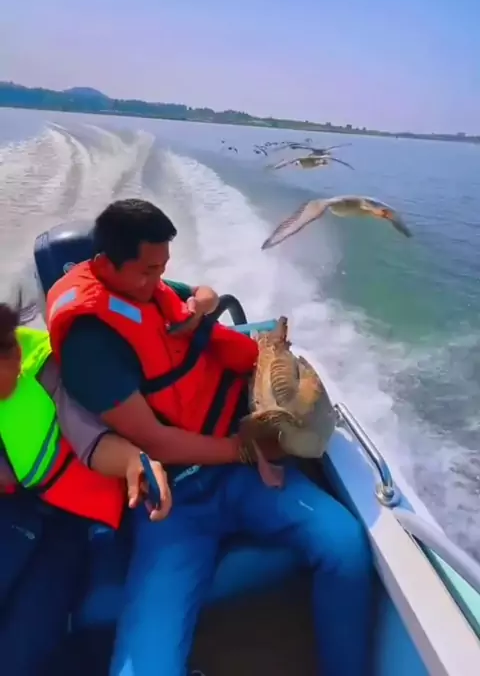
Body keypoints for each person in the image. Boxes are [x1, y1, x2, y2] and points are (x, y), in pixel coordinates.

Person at [47, 198, 373, 676]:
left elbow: (198, 291)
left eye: (163, 267)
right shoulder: (90, 345)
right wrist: (249, 451)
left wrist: (201, 302)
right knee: (147, 666)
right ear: (106, 265)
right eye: (149, 270)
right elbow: (154, 441)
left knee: (344, 545)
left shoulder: (148, 287)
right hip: (174, 501)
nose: (159, 280)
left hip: (241, 470)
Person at [0, 302, 171, 675]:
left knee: (17, 653)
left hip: (73, 522)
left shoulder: (48, 369)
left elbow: (90, 439)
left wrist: (132, 461)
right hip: (19, 511)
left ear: (12, 355)